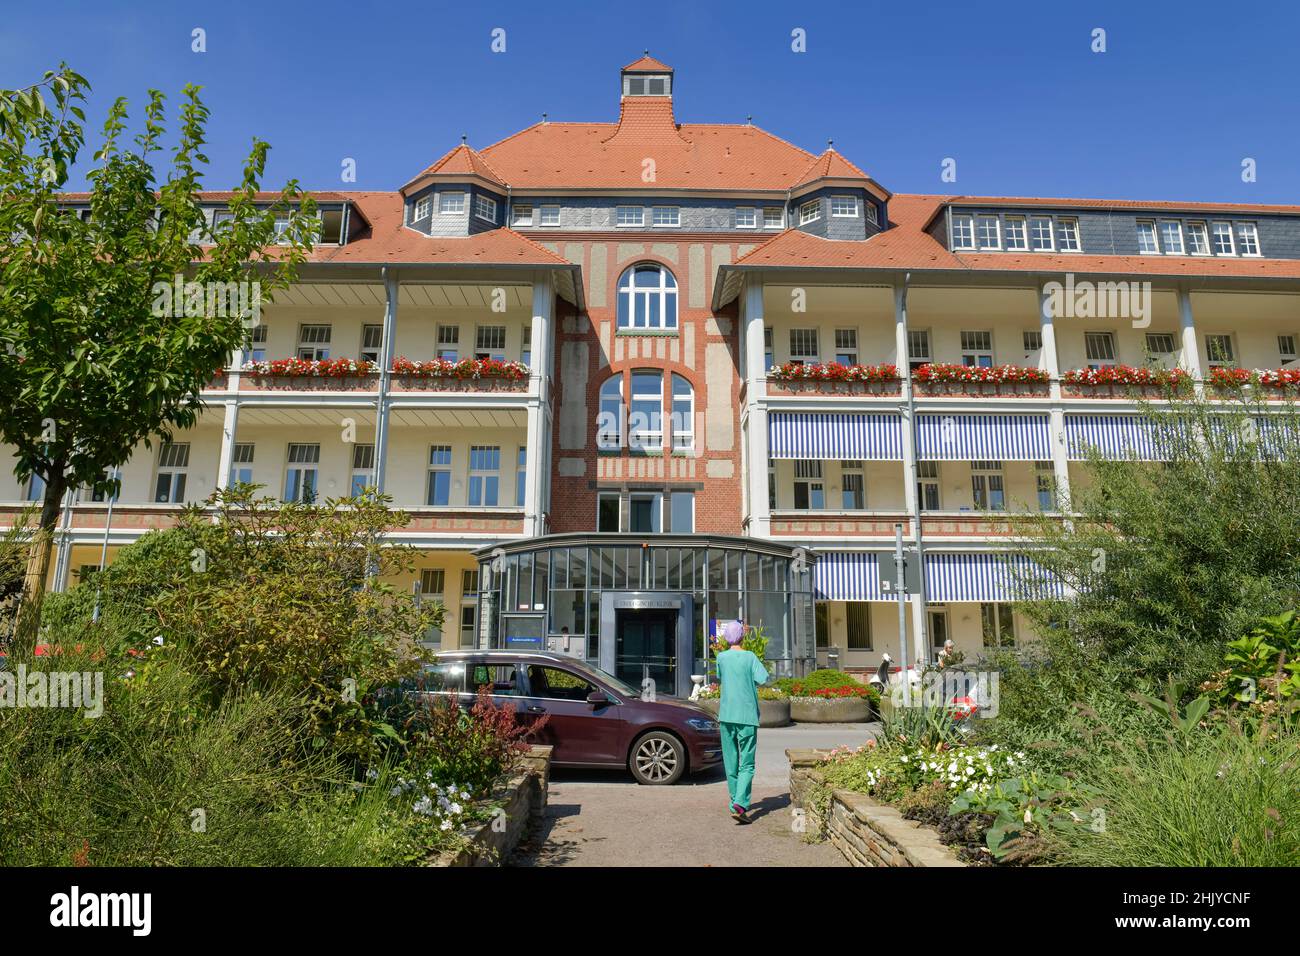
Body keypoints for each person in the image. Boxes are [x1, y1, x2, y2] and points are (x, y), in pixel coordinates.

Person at [714, 619, 769, 824]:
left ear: (726, 638)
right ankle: (740, 803)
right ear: (743, 637)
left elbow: (721, 677)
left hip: (726, 715)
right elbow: (763, 678)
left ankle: (734, 802)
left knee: (731, 762)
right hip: (747, 716)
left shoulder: (721, 658)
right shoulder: (750, 657)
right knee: (746, 764)